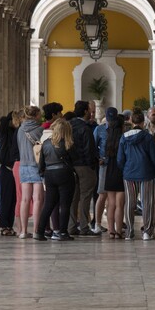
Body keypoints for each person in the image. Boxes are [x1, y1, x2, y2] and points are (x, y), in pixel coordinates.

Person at [117, 108, 155, 240]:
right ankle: (147, 232)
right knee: (147, 203)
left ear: (131, 121)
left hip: (129, 174)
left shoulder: (124, 137)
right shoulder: (148, 137)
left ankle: (130, 232)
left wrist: (124, 169)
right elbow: (154, 157)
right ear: (143, 122)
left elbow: (120, 158)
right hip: (146, 174)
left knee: (130, 203)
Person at [34, 118, 77, 241]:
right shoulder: (68, 143)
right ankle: (63, 232)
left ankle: (40, 231)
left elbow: (41, 163)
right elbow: (75, 159)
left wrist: (44, 173)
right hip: (65, 174)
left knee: (48, 204)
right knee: (65, 204)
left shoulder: (46, 143)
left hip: (49, 174)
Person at [68, 100, 99, 236]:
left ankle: (71, 226)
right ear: (86, 111)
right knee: (85, 197)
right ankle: (84, 227)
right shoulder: (85, 128)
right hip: (84, 166)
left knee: (73, 197)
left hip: (70, 166)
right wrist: (92, 164)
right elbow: (89, 149)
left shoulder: (68, 126)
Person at [16, 105, 44, 239]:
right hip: (36, 166)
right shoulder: (40, 129)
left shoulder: (20, 130)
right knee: (37, 199)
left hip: (23, 165)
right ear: (36, 115)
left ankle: (23, 231)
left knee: (25, 199)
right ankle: (36, 230)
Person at [93, 107, 118, 234]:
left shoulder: (119, 128)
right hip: (104, 165)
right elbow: (93, 146)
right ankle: (97, 223)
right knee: (102, 194)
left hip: (116, 165)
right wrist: (98, 158)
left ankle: (111, 224)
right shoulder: (100, 129)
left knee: (113, 196)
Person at [104, 114, 126, 239]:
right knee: (120, 204)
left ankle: (110, 230)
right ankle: (118, 230)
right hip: (121, 172)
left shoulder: (108, 139)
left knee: (111, 203)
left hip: (109, 171)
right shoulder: (123, 139)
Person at [0, 111, 19, 236]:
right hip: (6, 169)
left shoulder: (15, 133)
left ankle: (9, 225)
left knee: (13, 199)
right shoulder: (5, 132)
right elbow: (3, 122)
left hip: (13, 168)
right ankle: (4, 225)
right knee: (6, 198)